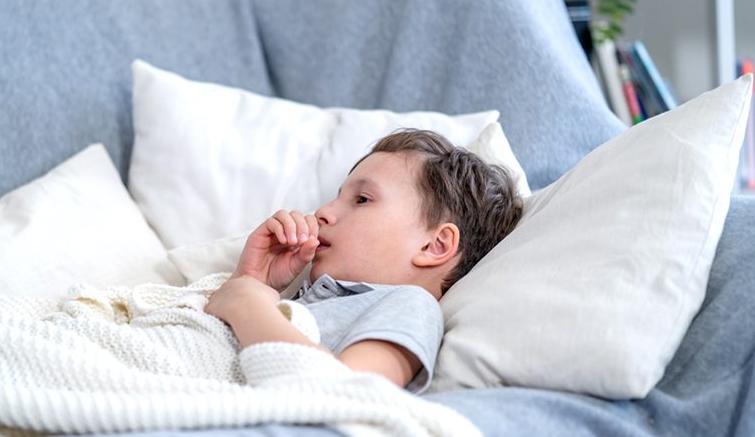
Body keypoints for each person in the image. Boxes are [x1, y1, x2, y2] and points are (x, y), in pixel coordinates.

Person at [206, 128, 523, 393]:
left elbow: (343, 392)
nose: (323, 212)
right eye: (337, 196)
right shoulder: (307, 295)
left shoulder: (411, 306)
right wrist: (251, 279)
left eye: (361, 200)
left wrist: (246, 303)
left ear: (435, 245)